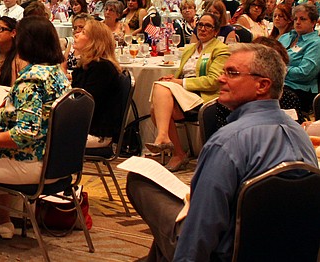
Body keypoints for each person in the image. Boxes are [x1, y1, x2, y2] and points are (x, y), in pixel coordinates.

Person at [127, 44, 317, 262]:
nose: (220, 79)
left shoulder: (227, 142)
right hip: (289, 249)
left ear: (262, 85)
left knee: (140, 181)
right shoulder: (300, 134)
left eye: (232, 73)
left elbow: (201, 228)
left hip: (229, 252)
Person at [0, 16, 70, 239]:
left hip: (33, 163)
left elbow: (26, 133)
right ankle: (0, 219)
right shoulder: (57, 74)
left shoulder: (32, 81)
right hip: (58, 162)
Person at [146, 12, 230, 172]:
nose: (203, 29)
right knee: (159, 94)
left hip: (204, 96)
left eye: (208, 26)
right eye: (200, 25)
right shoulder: (190, 49)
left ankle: (168, 143)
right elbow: (182, 73)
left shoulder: (221, 50)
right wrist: (173, 78)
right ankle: (176, 150)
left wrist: (180, 82)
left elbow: (213, 81)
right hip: (185, 93)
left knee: (159, 99)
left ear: (216, 31)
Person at [71, 18, 123, 148]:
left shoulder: (102, 68)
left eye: (83, 32)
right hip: (86, 125)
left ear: (94, 41)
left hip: (96, 131)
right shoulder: (88, 65)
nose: (76, 34)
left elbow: (83, 103)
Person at [279, 3, 320, 113]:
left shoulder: (316, 43)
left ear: (313, 22)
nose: (297, 22)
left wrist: (278, 69)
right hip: (278, 82)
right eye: (295, 19)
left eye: (302, 19)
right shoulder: (286, 37)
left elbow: (305, 73)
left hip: (299, 89)